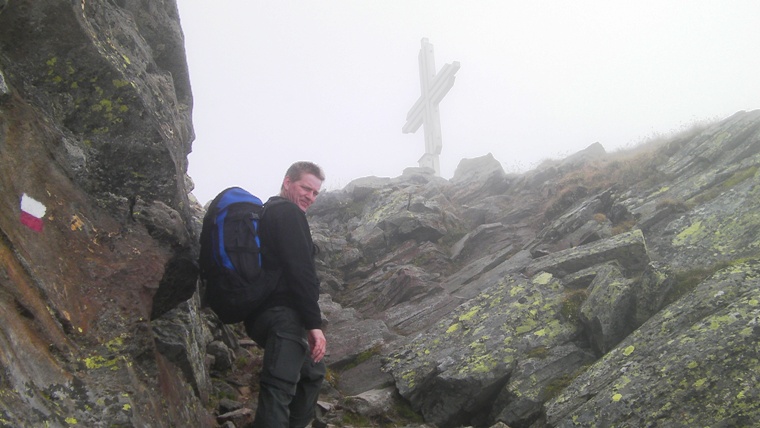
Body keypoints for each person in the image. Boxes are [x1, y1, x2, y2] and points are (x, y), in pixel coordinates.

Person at [244, 161, 327, 427]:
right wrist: (314, 324)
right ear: (287, 182)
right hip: (283, 317)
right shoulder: (289, 213)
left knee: (312, 373)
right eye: (306, 188)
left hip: (264, 316)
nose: (310, 197)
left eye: (315, 193)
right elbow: (300, 271)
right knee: (278, 390)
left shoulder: (267, 212)